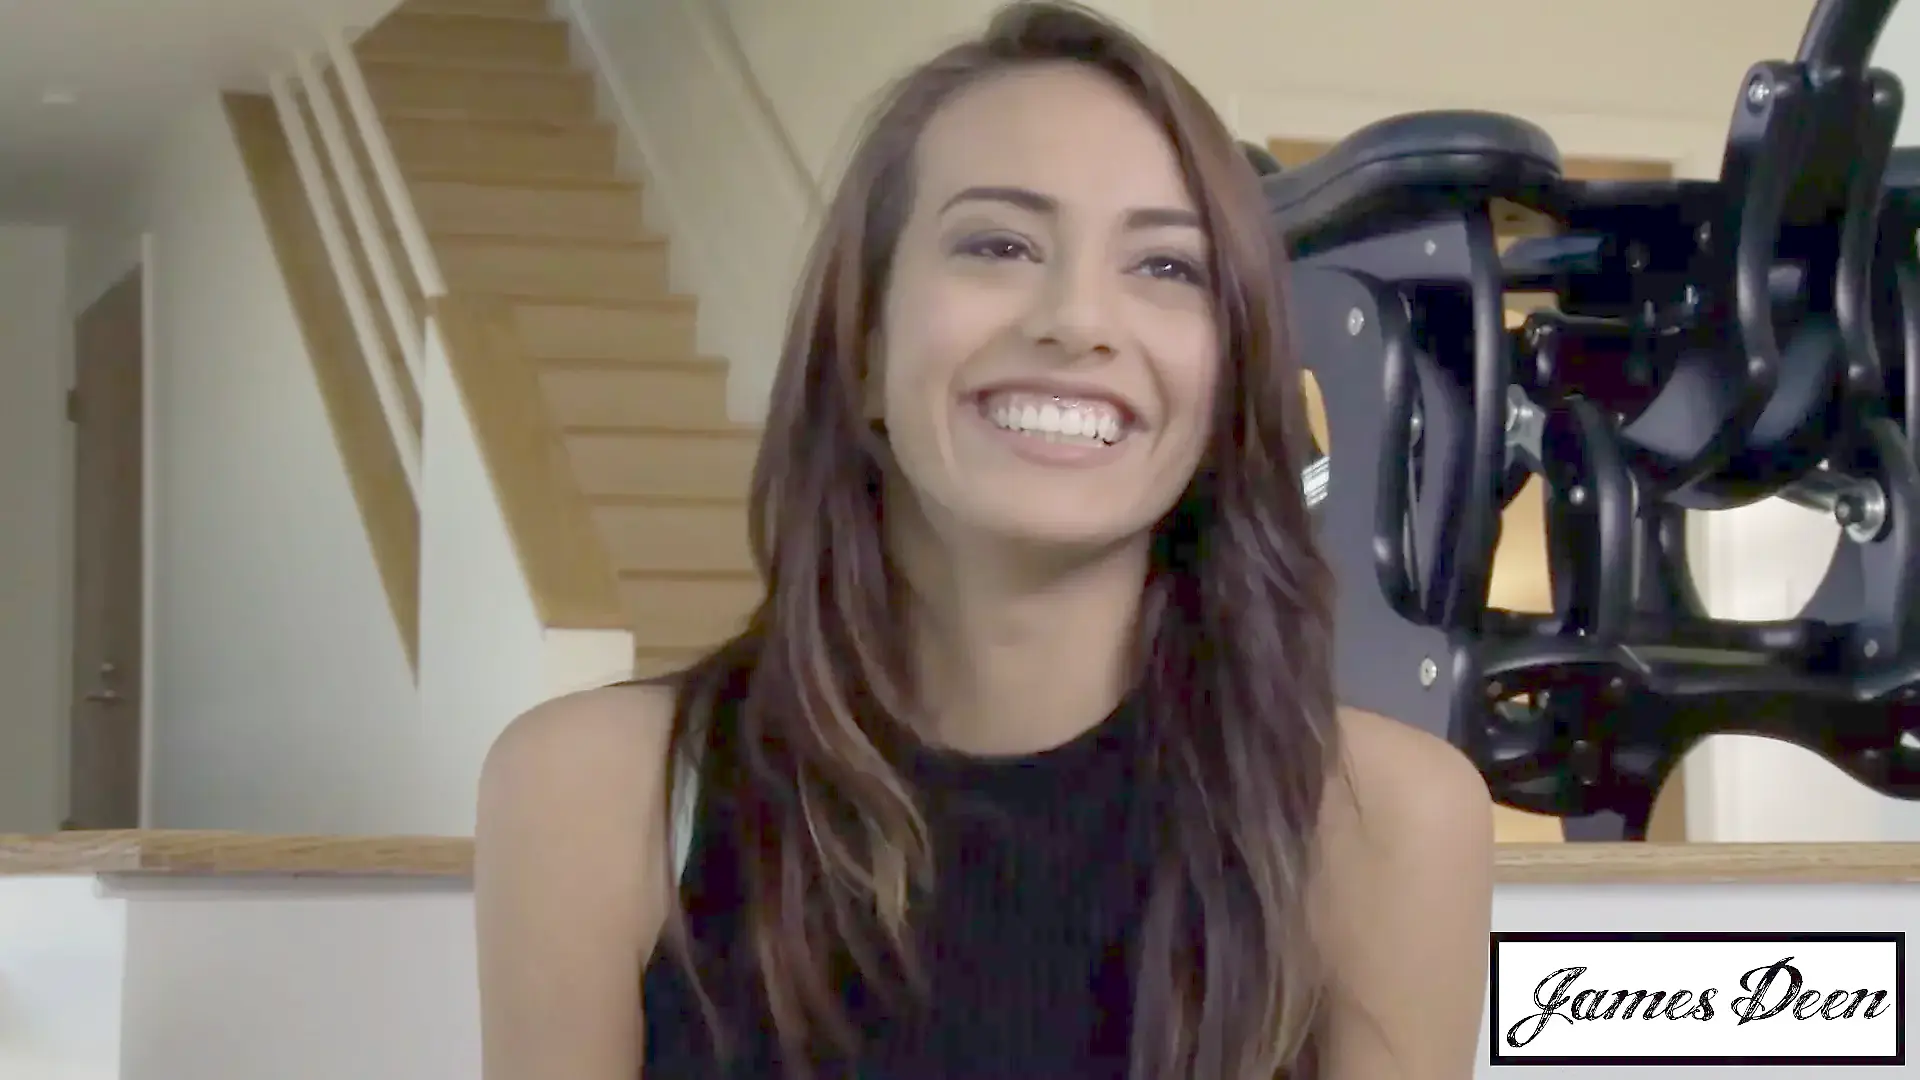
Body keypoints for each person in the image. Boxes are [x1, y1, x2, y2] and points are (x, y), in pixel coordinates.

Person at [472, 2, 1495, 1076]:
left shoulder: (1385, 825)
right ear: (864, 347)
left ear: (1229, 379)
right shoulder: (594, 796)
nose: (1077, 321)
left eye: (1166, 267)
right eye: (999, 245)